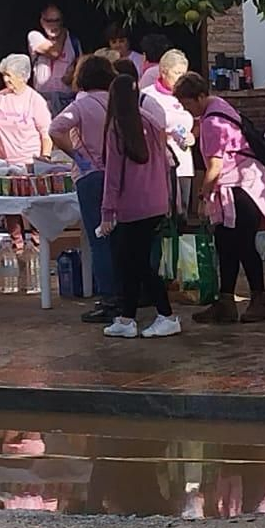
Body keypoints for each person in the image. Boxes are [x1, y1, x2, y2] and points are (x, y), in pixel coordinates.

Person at [176, 72, 265, 324]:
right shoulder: (219, 108)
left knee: (242, 246)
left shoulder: (213, 122)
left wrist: (202, 196)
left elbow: (214, 168)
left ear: (201, 96)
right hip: (242, 186)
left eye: (188, 103)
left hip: (240, 189)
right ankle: (225, 302)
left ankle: (259, 300)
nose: (188, 109)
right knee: (227, 245)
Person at [99, 75, 180, 340]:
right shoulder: (151, 122)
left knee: (136, 263)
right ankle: (127, 318)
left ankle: (166, 315)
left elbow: (112, 174)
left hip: (131, 206)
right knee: (133, 262)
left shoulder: (117, 128)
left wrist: (107, 211)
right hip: (155, 202)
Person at [51, 54, 124, 325]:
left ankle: (109, 299)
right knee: (121, 236)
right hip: (120, 175)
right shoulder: (118, 102)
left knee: (99, 238)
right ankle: (126, 294)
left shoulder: (81, 104)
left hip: (91, 175)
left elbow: (55, 129)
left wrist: (77, 155)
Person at [0, 54, 52, 250]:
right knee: (8, 205)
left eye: (10, 75)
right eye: (4, 75)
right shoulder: (0, 98)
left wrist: (44, 160)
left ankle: (38, 241)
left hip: (28, 162)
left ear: (23, 76)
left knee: (32, 205)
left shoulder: (35, 100)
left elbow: (46, 134)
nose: (6, 80)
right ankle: (17, 243)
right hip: (4, 162)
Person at [143, 49, 195, 211]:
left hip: (184, 160)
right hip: (159, 161)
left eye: (184, 74)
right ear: (163, 72)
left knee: (182, 211)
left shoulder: (189, 94)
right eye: (177, 73)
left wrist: (192, 136)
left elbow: (198, 121)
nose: (181, 78)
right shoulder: (147, 96)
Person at [27, 4, 79, 116]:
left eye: (57, 20)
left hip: (67, 100)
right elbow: (54, 52)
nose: (53, 25)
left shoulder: (73, 41)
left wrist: (73, 72)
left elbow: (81, 63)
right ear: (42, 21)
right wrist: (63, 34)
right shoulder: (35, 36)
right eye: (49, 21)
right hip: (43, 100)